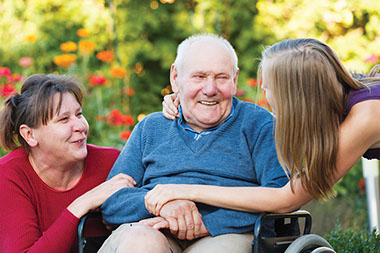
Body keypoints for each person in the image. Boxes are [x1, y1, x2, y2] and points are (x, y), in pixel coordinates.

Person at [99, 34, 289, 253]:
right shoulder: (150, 127)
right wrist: (164, 206)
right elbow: (112, 200)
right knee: (140, 241)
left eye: (221, 77)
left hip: (228, 234)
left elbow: (280, 195)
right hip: (154, 227)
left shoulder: (259, 125)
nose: (210, 89)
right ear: (175, 77)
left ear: (235, 80)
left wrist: (207, 223)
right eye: (199, 76)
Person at [148, 38, 380, 216]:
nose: (266, 97)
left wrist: (187, 190)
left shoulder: (367, 116)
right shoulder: (345, 97)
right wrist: (187, 101)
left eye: (268, 87)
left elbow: (287, 199)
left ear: (296, 95)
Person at [0, 74, 135, 253]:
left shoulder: (110, 162)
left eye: (79, 114)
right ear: (30, 135)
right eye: (64, 119)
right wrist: (82, 204)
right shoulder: (10, 175)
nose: (80, 126)